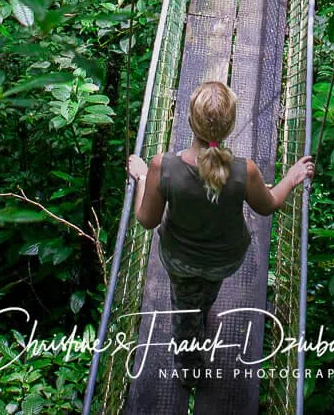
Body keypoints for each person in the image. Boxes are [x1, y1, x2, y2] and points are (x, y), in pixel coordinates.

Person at [126, 80, 315, 348]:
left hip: (181, 259)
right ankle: (203, 307)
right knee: (209, 288)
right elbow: (268, 205)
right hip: (224, 260)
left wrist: (143, 177)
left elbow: (147, 220)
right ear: (229, 126)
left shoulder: (163, 166)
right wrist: (292, 178)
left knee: (184, 304)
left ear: (190, 121)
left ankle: (188, 361)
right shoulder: (244, 172)